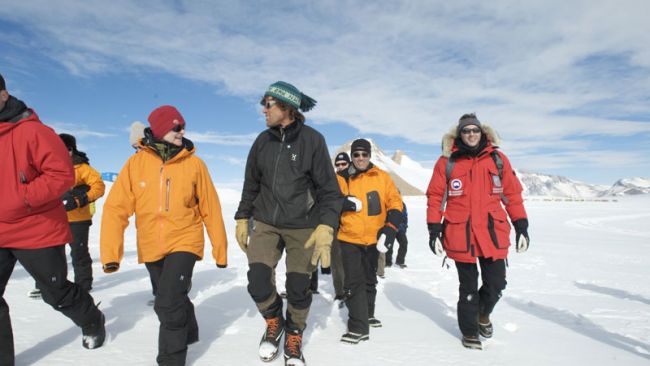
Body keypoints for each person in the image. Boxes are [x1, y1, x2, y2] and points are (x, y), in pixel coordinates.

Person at [100, 105, 228, 366]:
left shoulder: (194, 164)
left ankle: (170, 360)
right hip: (151, 244)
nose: (182, 131)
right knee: (169, 296)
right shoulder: (135, 164)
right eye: (176, 127)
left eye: (183, 127)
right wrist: (111, 253)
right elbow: (116, 208)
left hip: (185, 240)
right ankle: (189, 332)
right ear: (160, 129)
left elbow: (210, 207)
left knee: (167, 303)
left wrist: (220, 249)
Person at [0, 73, 106, 366]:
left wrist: (18, 198)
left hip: (37, 229)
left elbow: (62, 175)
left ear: (4, 95)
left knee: (55, 292)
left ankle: (92, 319)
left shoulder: (34, 132)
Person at [234, 81, 341, 366]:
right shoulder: (262, 141)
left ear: (286, 107)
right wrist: (243, 216)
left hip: (303, 226)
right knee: (257, 282)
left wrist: (326, 226)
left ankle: (294, 333)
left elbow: (330, 191)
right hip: (266, 222)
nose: (263, 109)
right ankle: (274, 320)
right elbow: (250, 184)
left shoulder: (312, 140)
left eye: (267, 103)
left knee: (297, 287)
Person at [426, 113, 529, 350]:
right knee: (468, 288)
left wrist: (521, 226)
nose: (471, 134)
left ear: (482, 133)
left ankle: (483, 314)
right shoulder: (447, 162)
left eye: (475, 130)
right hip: (460, 234)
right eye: (466, 130)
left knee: (496, 283)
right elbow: (435, 198)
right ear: (459, 134)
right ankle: (470, 332)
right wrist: (434, 229)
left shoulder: (498, 160)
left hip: (492, 233)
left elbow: (512, 196)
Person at [336, 138, 403, 344]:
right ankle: (358, 328)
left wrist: (390, 229)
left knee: (369, 279)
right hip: (349, 238)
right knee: (353, 282)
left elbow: (395, 203)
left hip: (375, 239)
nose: (361, 158)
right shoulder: (340, 178)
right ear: (352, 156)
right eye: (356, 155)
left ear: (369, 156)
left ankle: (368, 313)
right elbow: (325, 199)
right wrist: (343, 203)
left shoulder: (382, 177)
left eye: (364, 154)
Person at [331, 152, 350, 301]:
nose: (340, 167)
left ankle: (352, 288)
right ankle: (340, 291)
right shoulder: (332, 181)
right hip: (336, 226)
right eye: (337, 164)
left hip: (353, 226)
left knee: (353, 260)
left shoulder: (356, 179)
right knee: (336, 261)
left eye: (343, 164)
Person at [385, 201, 408, 268]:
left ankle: (400, 261)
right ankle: (387, 262)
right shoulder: (387, 203)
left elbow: (405, 217)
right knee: (389, 245)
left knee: (404, 243)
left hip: (400, 229)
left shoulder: (403, 204)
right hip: (390, 228)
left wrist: (404, 227)